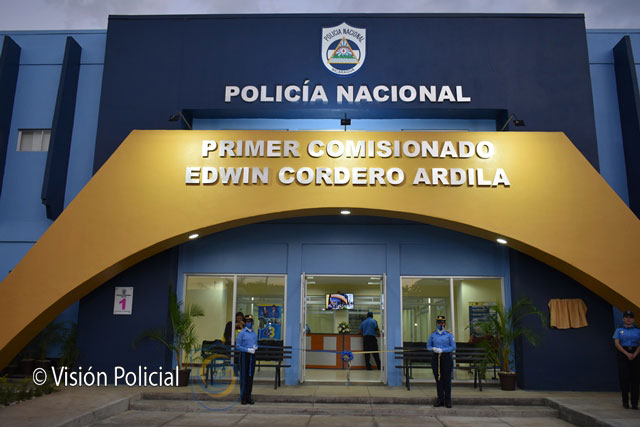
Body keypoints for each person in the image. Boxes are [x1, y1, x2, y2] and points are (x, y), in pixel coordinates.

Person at [427, 315, 456, 408]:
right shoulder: (433, 335)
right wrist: (433, 349)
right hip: (436, 358)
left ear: (445, 324)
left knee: (447, 379)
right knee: (438, 379)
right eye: (439, 322)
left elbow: (453, 347)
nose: (440, 324)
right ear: (436, 324)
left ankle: (448, 400)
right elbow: (428, 346)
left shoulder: (449, 335)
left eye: (442, 322)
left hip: (446, 357)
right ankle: (440, 399)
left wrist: (443, 350)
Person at [613, 310, 640, 409]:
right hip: (623, 354)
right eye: (626, 317)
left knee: (635, 379)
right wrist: (627, 354)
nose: (628, 319)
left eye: (630, 318)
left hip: (635, 353)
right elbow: (617, 343)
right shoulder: (619, 330)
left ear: (633, 319)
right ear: (623, 319)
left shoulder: (638, 330)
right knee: (624, 378)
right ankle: (625, 401)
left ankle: (635, 403)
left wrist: (634, 354)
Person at [236, 314, 258, 405]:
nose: (250, 323)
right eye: (248, 321)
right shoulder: (242, 333)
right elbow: (238, 346)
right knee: (244, 376)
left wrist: (255, 347)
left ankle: (249, 396)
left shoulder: (254, 333)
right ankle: (243, 397)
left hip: (252, 356)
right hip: (244, 356)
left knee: (250, 376)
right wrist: (247, 350)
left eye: (251, 321)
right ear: (245, 323)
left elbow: (256, 343)